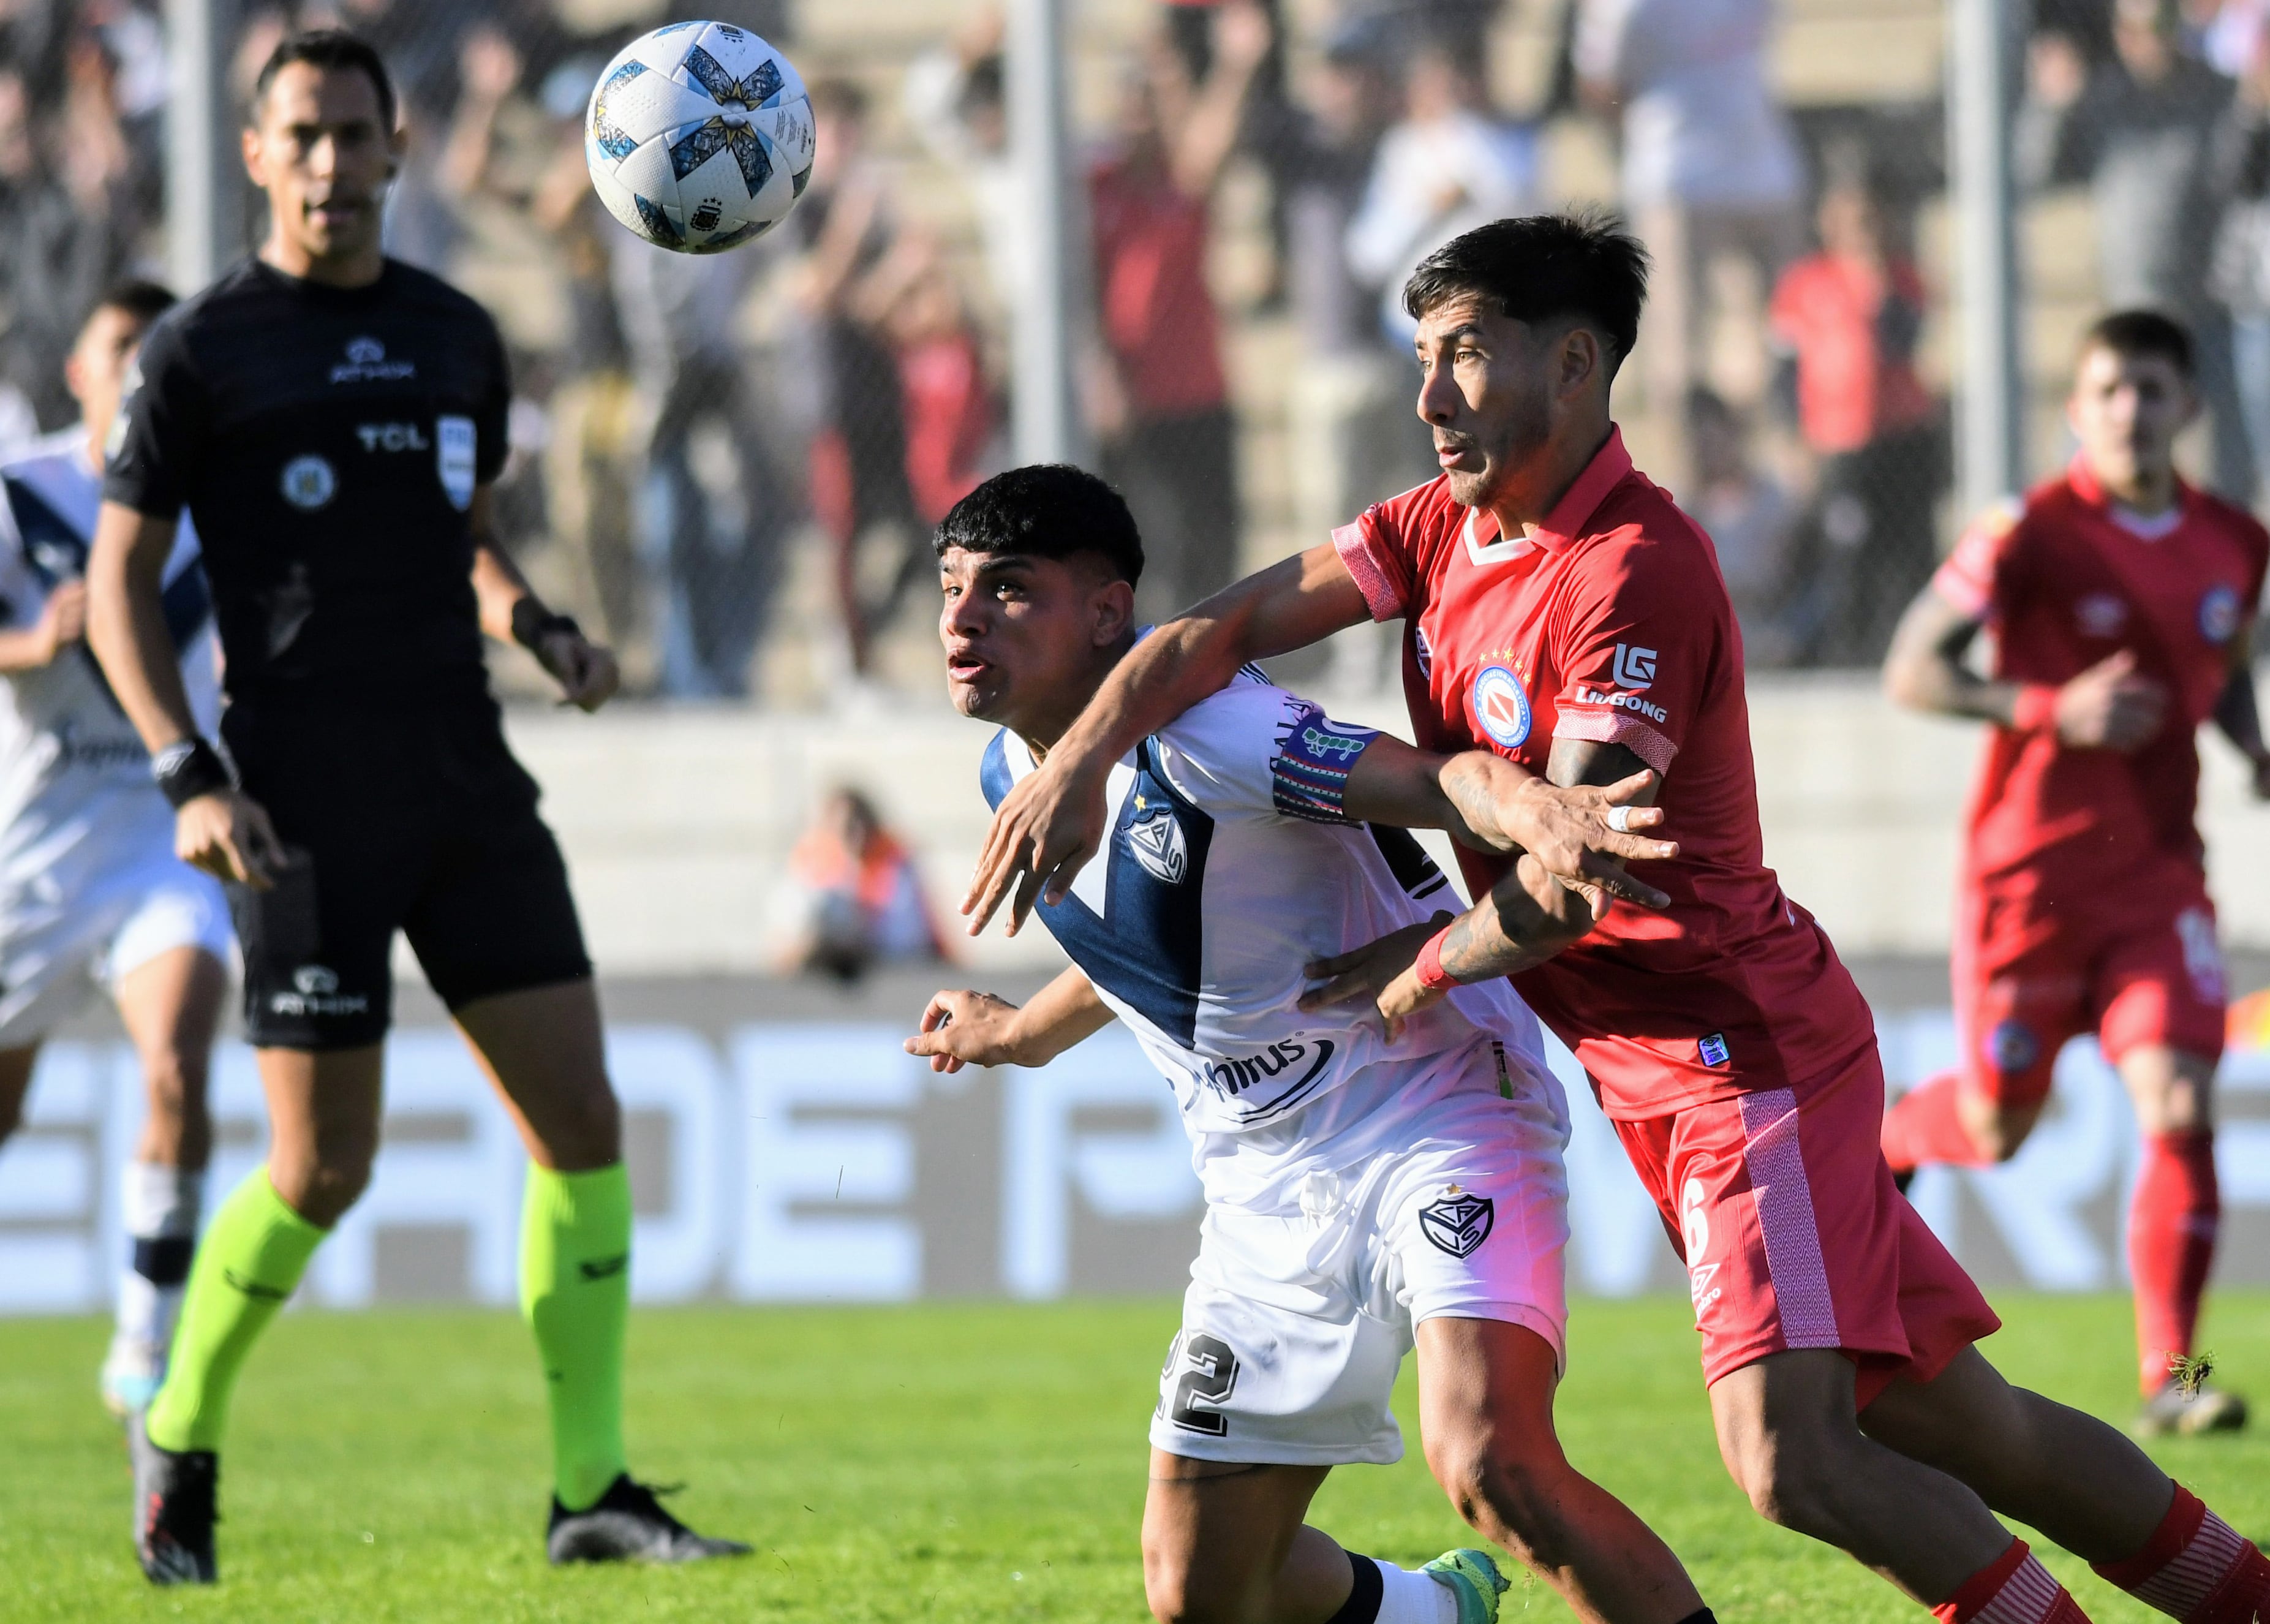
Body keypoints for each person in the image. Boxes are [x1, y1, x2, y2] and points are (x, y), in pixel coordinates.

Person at [965, 214, 2270, 1624]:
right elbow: (1200, 636)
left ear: (1574, 362)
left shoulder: (1631, 571)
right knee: (1965, 1424)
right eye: (1422, 356)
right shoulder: (1433, 529)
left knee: (1795, 1457)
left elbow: (1572, 876)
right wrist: (1083, 759)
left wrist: (1427, 962)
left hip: (1735, 1052)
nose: (1430, 396)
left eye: (1466, 353)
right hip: (1648, 1056)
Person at [83, 30, 746, 1584]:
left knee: (582, 1121)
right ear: (257, 154)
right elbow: (118, 582)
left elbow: (464, 527)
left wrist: (539, 626)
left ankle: (591, 1485)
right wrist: (188, 771)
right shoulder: (200, 350)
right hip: (300, 802)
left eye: (353, 134)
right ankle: (178, 1430)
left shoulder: (455, 332)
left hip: (466, 778)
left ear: (395, 148)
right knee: (325, 1166)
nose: (329, 162)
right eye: (300, 134)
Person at [912, 462, 1714, 1624]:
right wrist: (1022, 1032)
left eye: (1008, 589)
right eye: (951, 590)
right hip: (1264, 1183)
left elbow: (1433, 780)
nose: (963, 617)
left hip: (1430, 1102)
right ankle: (1430, 1615)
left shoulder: (1219, 732)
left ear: (1106, 612)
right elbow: (1160, 935)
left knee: (1492, 1463)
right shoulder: (1013, 773)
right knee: (1201, 1591)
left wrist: (1545, 810)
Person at [1879, 309, 2268, 1438]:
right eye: (2107, 390)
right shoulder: (2030, 530)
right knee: (2000, 1129)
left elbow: (2222, 671)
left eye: (2150, 389)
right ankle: (1899, 1133)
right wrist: (2052, 708)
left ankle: (2175, 1380)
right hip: (2028, 881)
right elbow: (1913, 667)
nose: (2128, 411)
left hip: (2154, 875)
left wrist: (2252, 744)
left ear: (2187, 406)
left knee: (2181, 1102)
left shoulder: (2235, 542)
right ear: (2075, 407)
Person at [0, 281, 230, 1418]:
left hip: (161, 837)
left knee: (180, 1065)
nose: (141, 365)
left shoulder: (223, 497)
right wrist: (28, 640)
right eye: (120, 346)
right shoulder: (19, 490)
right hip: (33, 851)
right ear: (79, 371)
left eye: (160, 348)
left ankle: (145, 1335)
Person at [2019, 0, 2252, 500]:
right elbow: (2035, 174)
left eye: (2162, 30)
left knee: (2229, 468)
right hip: (2130, 311)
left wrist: (2257, 109)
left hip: (2206, 311)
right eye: (2137, 32)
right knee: (2087, 461)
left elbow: (2246, 175)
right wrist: (2052, 106)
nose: (2150, 44)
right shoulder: (2106, 102)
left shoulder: (2218, 95)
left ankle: (2222, 570)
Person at [1572, 0, 1804, 485]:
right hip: (1739, 172)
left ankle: (1729, 488)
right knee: (1737, 344)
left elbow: (1600, 86)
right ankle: (1723, 482)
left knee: (1711, 345)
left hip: (1692, 174)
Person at [1090, 2, 1266, 621]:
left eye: (1152, 107)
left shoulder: (1181, 180)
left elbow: (1204, 146)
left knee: (1212, 538)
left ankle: (1207, 665)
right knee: (1147, 544)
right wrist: (1098, 370)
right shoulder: (1098, 185)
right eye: (1131, 106)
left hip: (1198, 388)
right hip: (1134, 399)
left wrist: (1218, 67)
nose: (1141, 120)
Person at [1767, 158, 1945, 665]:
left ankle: (1908, 650)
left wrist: (1875, 279)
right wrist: (1792, 438)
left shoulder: (1903, 279)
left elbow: (1901, 343)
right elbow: (1784, 369)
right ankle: (1849, 651)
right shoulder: (1805, 284)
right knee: (1849, 551)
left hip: (1902, 438)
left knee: (1908, 551)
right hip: (1841, 441)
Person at [782, 785, 949, 981]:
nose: (857, 834)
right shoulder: (815, 868)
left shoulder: (896, 866)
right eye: (847, 826)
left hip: (895, 971)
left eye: (862, 824)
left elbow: (907, 934)